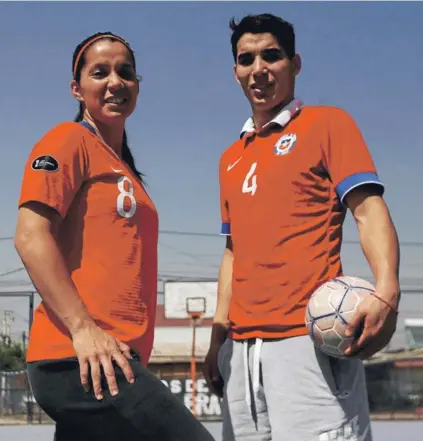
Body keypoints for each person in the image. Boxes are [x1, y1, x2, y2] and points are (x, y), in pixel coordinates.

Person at [203, 13, 400, 441]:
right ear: (235, 71)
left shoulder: (328, 124)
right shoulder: (229, 158)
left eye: (271, 56)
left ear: (295, 64)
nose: (259, 69)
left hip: (308, 343)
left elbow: (369, 212)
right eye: (246, 59)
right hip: (241, 353)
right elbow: (233, 252)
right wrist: (218, 339)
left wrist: (386, 289)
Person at [14, 32, 215, 441]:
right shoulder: (68, 141)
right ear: (77, 88)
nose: (115, 82)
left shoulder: (124, 170)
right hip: (77, 357)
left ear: (138, 85)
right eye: (100, 72)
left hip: (112, 358)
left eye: (125, 72)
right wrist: (83, 328)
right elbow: (31, 236)